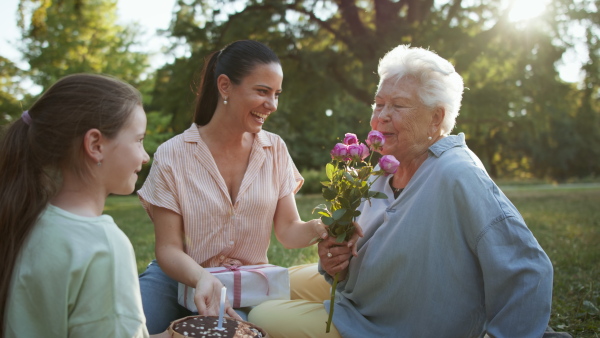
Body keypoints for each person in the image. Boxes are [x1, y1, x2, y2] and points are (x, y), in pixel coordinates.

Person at [248, 45, 555, 337]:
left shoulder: (458, 173)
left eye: (397, 106)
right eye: (379, 104)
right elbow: (362, 251)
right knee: (270, 285)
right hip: (361, 293)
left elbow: (528, 269)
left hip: (390, 325)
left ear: (435, 118)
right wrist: (333, 263)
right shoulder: (383, 170)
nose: (381, 116)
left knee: (261, 316)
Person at [137, 40, 337, 334]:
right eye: (262, 91)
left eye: (276, 94)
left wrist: (323, 227)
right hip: (175, 279)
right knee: (127, 327)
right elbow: (168, 248)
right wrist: (203, 279)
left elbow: (289, 230)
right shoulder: (173, 153)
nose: (272, 105)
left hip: (244, 286)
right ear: (225, 86)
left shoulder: (275, 150)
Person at [0, 74, 171, 337]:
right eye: (138, 140)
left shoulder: (25, 219)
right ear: (95, 145)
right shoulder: (103, 246)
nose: (146, 156)